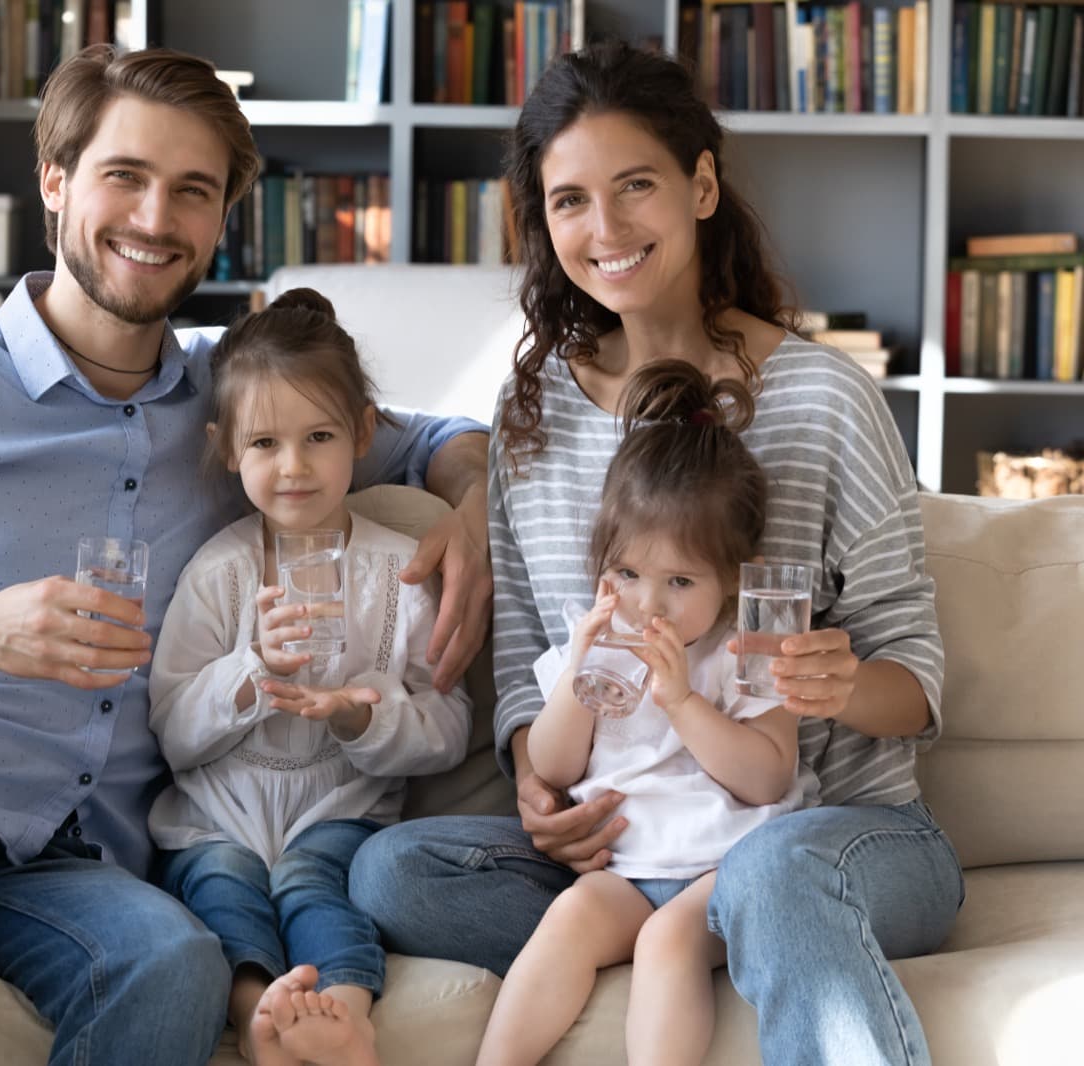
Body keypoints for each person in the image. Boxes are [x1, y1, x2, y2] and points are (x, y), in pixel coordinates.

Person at [0, 45, 492, 1066]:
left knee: (173, 962)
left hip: (61, 863)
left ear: (219, 221)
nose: (156, 220)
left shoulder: (235, 407)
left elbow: (434, 431)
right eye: (126, 177)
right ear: (55, 181)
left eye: (192, 192)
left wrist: (470, 502)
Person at [349, 39, 963, 1066]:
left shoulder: (822, 399)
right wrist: (539, 796)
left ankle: (737, 926)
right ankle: (692, 933)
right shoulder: (531, 412)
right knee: (392, 873)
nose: (606, 228)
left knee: (771, 875)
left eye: (635, 185)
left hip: (832, 832)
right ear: (542, 223)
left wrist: (839, 682)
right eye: (569, 201)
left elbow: (918, 681)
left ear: (702, 184)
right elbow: (526, 671)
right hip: (639, 844)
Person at [148, 288, 473, 1066]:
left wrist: (363, 717)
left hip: (340, 812)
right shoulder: (219, 572)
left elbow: (449, 726)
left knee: (312, 884)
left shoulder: (401, 572)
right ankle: (259, 1010)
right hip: (216, 818)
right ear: (228, 449)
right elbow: (172, 733)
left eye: (319, 436)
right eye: (264, 444)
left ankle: (343, 1014)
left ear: (362, 433)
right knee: (220, 880)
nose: (292, 468)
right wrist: (250, 672)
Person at [474, 359, 806, 1066]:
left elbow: (768, 779)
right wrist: (577, 670)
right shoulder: (593, 642)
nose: (647, 603)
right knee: (569, 917)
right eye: (628, 575)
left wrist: (683, 701)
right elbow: (557, 767)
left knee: (666, 941)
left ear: (733, 578)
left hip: (728, 869)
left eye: (679, 581)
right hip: (626, 871)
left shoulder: (745, 651)